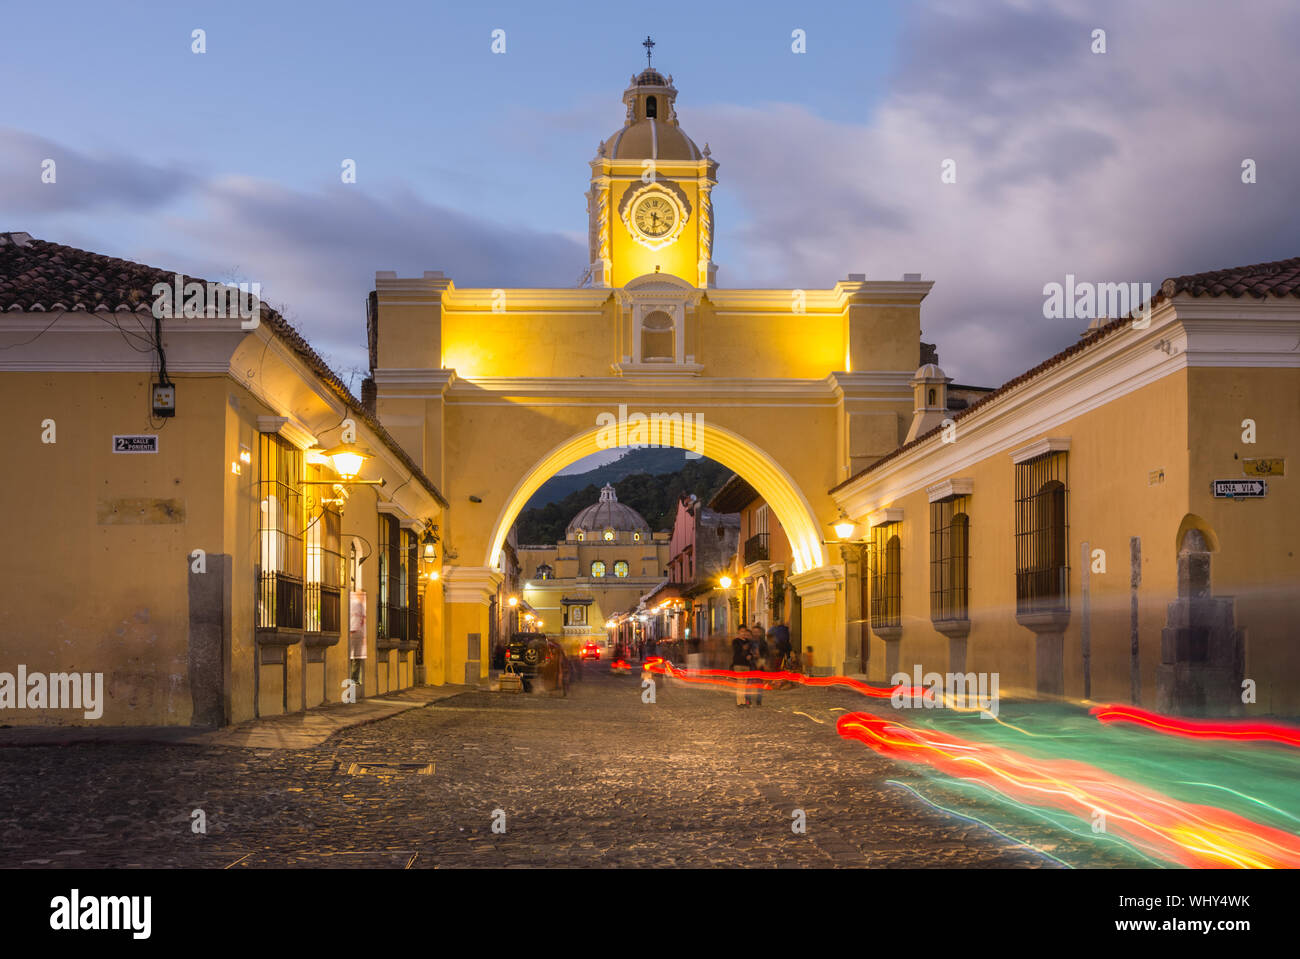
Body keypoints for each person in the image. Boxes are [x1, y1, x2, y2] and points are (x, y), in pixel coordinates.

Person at [748, 628, 769, 706]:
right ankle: (748, 700)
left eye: (757, 632)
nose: (756, 633)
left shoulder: (763, 643)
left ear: (760, 633)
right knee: (749, 683)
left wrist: (760, 656)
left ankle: (759, 700)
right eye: (754, 632)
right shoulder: (749, 642)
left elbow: (767, 654)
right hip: (751, 664)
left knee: (759, 684)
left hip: (760, 665)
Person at [732, 625, 752, 707]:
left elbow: (750, 651)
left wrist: (750, 655)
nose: (743, 633)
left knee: (744, 684)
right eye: (742, 631)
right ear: (739, 632)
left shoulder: (748, 641)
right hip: (738, 664)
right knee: (740, 683)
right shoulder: (735, 641)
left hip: (746, 665)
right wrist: (744, 648)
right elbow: (737, 651)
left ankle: (743, 701)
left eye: (745, 631)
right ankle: (739, 702)